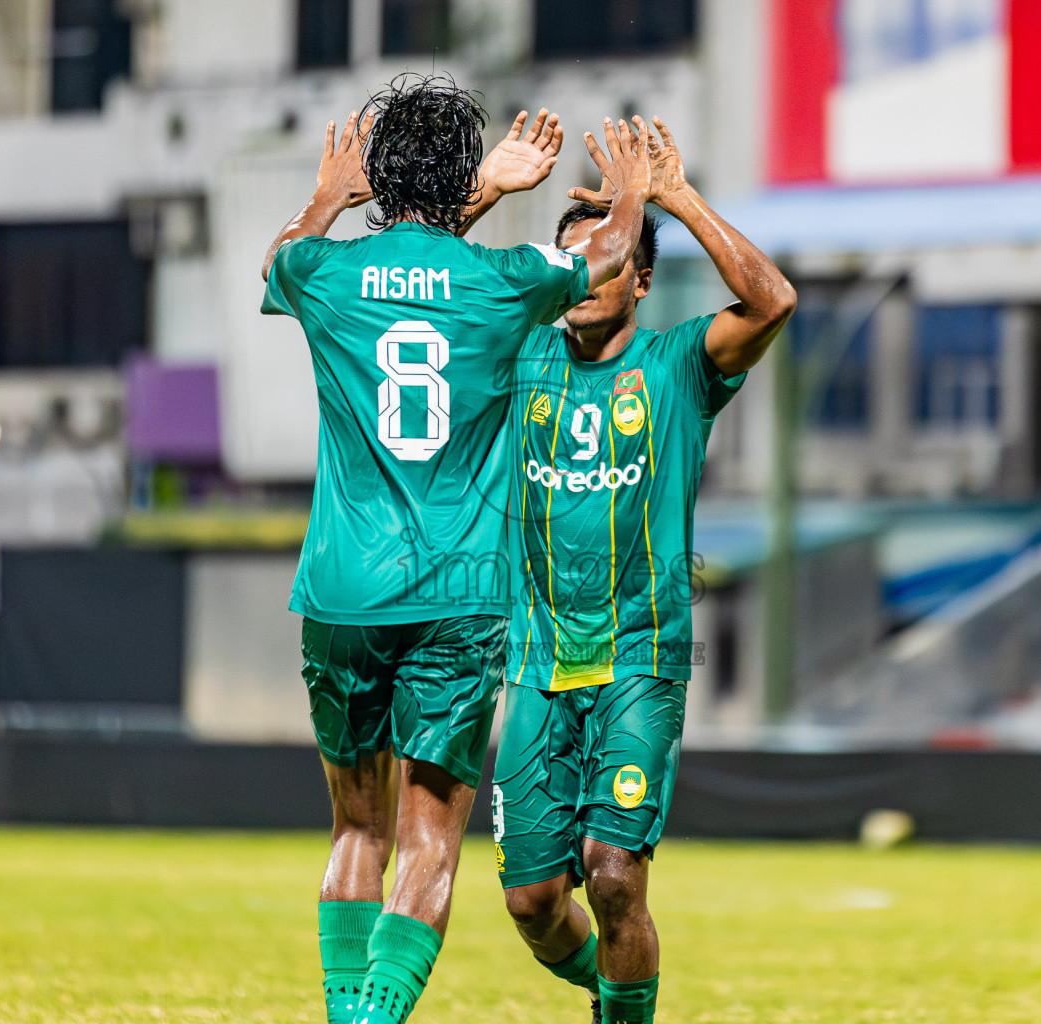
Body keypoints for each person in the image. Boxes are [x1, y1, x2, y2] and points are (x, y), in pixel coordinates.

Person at [259, 75, 654, 1024]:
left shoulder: (324, 273)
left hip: (343, 591)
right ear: (465, 176)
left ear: (377, 176)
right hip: (457, 598)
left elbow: (283, 258)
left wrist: (330, 192)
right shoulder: (506, 279)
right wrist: (633, 188)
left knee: (358, 828)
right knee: (431, 848)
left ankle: (346, 1012)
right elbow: (601, 260)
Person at [492, 116, 797, 1024]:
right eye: (572, 261)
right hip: (537, 665)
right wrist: (497, 186)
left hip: (641, 662)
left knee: (613, 874)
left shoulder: (679, 365)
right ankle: (618, 992)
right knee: (533, 903)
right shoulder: (519, 356)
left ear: (642, 275)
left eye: (607, 256)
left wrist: (673, 195)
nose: (587, 276)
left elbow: (773, 300)